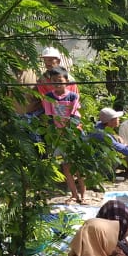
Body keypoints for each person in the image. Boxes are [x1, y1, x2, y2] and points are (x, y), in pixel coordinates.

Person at [40, 66, 85, 202]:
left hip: (72, 135)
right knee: (66, 167)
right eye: (54, 81)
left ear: (66, 81)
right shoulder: (48, 97)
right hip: (58, 136)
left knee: (77, 166)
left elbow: (75, 116)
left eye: (60, 80)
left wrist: (68, 131)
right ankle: (74, 194)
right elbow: (48, 116)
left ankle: (83, 194)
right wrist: (56, 132)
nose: (57, 83)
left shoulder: (73, 96)